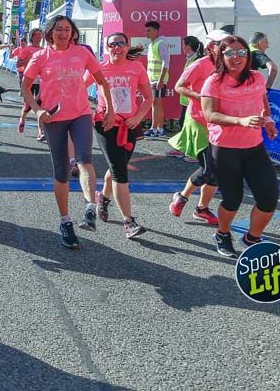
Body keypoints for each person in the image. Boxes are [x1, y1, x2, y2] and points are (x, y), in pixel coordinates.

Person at [22, 15, 114, 249]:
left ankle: (89, 208)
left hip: (80, 114)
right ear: (50, 33)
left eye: (67, 29)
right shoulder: (41, 56)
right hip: (54, 118)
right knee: (61, 173)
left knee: (85, 159)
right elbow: (25, 85)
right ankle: (65, 221)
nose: (63, 33)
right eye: (58, 29)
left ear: (73, 33)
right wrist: (37, 110)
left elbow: (102, 81)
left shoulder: (83, 53)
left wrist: (110, 110)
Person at [200, 35, 279, 257]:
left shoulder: (256, 78)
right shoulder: (214, 82)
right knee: (232, 200)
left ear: (248, 55)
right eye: (230, 53)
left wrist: (269, 121)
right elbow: (210, 114)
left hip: (254, 147)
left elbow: (262, 102)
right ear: (221, 56)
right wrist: (240, 121)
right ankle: (223, 233)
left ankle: (252, 237)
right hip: (225, 149)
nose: (237, 57)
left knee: (269, 197)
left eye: (242, 52)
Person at [90, 33, 152, 238]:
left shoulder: (136, 68)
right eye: (112, 44)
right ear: (106, 48)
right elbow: (79, 89)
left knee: (117, 167)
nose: (116, 47)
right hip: (106, 125)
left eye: (120, 44)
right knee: (119, 172)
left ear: (127, 47)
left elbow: (148, 97)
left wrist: (139, 116)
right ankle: (128, 221)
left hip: (130, 125)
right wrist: (96, 111)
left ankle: (103, 199)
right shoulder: (99, 68)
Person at [168, 30, 229, 226]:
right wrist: (200, 97)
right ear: (211, 46)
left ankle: (202, 209)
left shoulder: (229, 65)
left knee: (218, 171)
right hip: (199, 122)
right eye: (223, 44)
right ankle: (182, 197)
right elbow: (179, 86)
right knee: (208, 169)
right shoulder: (200, 64)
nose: (228, 47)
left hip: (219, 123)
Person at [13, 28, 44, 137]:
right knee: (29, 104)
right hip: (29, 80)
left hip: (40, 81)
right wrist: (29, 60)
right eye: (37, 34)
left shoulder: (43, 50)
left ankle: (41, 131)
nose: (39, 36)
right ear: (32, 36)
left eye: (41, 34)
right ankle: (23, 118)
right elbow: (18, 64)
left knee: (41, 104)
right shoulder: (26, 49)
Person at [143, 21, 170, 137]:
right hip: (153, 79)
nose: (147, 32)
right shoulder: (151, 44)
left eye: (149, 30)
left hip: (158, 80)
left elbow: (166, 62)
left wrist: (161, 79)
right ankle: (159, 128)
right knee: (157, 104)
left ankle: (155, 129)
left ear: (156, 31)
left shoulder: (161, 43)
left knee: (155, 103)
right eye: (147, 30)